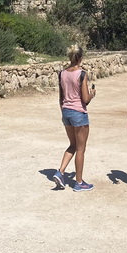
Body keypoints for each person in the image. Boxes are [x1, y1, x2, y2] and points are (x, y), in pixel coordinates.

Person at [53, 45, 96, 192]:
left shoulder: (62, 73)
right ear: (80, 58)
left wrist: (63, 111)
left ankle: (60, 171)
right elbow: (85, 99)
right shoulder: (81, 74)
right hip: (79, 113)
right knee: (80, 149)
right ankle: (79, 182)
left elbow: (61, 96)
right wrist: (92, 94)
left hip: (66, 111)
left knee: (72, 144)